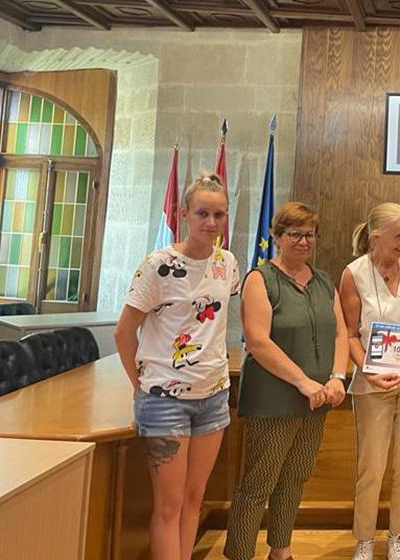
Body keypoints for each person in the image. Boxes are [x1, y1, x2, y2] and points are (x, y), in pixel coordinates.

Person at [115, 173, 240, 560]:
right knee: (168, 506)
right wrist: (141, 385)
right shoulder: (158, 264)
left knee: (194, 497)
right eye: (203, 213)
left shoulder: (228, 263)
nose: (211, 223)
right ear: (184, 213)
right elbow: (124, 333)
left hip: (213, 396)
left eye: (219, 214)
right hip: (165, 398)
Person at [224, 202, 349, 560]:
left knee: (294, 479)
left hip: (317, 401)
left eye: (309, 234)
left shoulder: (324, 281)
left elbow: (341, 332)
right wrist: (303, 382)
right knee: (257, 485)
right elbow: (258, 341)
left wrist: (338, 377)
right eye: (294, 234)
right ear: (277, 237)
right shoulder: (260, 279)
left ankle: (281, 552)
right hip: (274, 399)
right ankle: (239, 555)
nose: (303, 241)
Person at [338, 202, 400, 560]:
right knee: (372, 466)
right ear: (375, 236)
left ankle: (397, 537)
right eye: (399, 235)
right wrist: (369, 372)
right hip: (372, 384)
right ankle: (364, 539)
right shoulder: (354, 273)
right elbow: (349, 335)